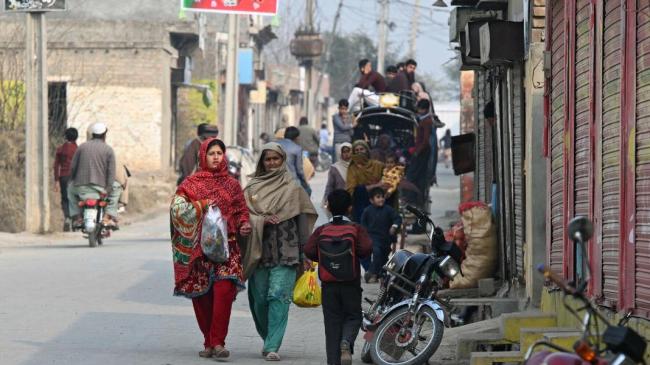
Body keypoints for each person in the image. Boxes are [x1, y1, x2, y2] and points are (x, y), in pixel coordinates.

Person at [170, 138, 252, 359]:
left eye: (219, 153)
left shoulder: (233, 185)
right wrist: (201, 205)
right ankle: (208, 341)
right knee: (201, 296)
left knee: (224, 293)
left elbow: (241, 210)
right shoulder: (190, 184)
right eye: (212, 153)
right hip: (199, 251)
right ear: (203, 156)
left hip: (228, 248)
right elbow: (177, 210)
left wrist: (244, 223)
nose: (216, 157)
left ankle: (218, 342)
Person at [241, 142, 318, 361]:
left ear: (283, 160)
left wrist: (306, 255)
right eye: (268, 159)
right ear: (262, 162)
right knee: (259, 300)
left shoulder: (293, 189)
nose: (272, 163)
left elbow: (304, 225)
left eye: (276, 159)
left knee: (279, 297)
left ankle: (272, 344)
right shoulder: (252, 188)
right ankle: (267, 337)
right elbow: (240, 218)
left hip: (288, 252)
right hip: (259, 253)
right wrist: (260, 220)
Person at [304, 189, 372, 365]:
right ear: (350, 208)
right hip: (351, 282)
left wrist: (326, 258)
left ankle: (333, 361)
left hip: (328, 284)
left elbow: (309, 250)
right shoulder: (356, 228)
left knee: (332, 324)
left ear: (328, 207)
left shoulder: (322, 230)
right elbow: (366, 250)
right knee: (353, 316)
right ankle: (347, 341)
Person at [68, 122, 120, 228]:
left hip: (80, 186)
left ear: (92, 134)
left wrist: (72, 180)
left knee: (69, 190)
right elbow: (111, 172)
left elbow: (73, 167)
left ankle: (77, 217)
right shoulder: (108, 150)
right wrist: (108, 188)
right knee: (117, 188)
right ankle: (107, 217)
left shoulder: (81, 147)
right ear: (104, 135)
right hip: (100, 187)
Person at [360, 187, 402, 283]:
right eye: (378, 197)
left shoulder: (388, 210)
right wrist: (364, 236)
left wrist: (394, 226)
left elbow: (397, 218)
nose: (381, 199)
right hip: (372, 238)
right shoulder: (367, 211)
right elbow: (362, 224)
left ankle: (381, 275)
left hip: (386, 239)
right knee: (377, 253)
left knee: (384, 258)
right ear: (371, 200)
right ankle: (372, 273)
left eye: (382, 197)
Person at [346, 140, 388, 223]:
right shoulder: (352, 168)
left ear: (367, 150)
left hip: (378, 196)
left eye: (362, 149)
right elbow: (352, 190)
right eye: (356, 150)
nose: (359, 152)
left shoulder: (378, 165)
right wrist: (376, 185)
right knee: (360, 189)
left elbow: (386, 179)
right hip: (361, 201)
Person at [406, 99, 434, 214]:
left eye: (420, 109)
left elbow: (425, 141)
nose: (418, 111)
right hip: (420, 151)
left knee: (414, 177)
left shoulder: (426, 121)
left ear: (425, 109)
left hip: (422, 153)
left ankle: (415, 200)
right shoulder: (422, 119)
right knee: (415, 177)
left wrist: (417, 152)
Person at [54, 127, 78, 231]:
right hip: (75, 177)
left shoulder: (60, 149)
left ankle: (67, 217)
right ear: (76, 137)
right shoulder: (78, 149)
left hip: (63, 177)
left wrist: (56, 180)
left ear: (65, 136)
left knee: (65, 199)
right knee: (75, 198)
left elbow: (56, 165)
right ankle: (75, 219)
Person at [276, 126, 310, 195]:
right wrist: (305, 183)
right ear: (296, 138)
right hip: (291, 181)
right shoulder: (297, 149)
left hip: (275, 179)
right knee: (308, 191)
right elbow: (299, 170)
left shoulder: (274, 145)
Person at [323, 142, 352, 210]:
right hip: (339, 200)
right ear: (340, 153)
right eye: (344, 152)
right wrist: (327, 199)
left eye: (348, 151)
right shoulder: (335, 168)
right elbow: (330, 185)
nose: (346, 154)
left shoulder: (356, 165)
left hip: (353, 200)